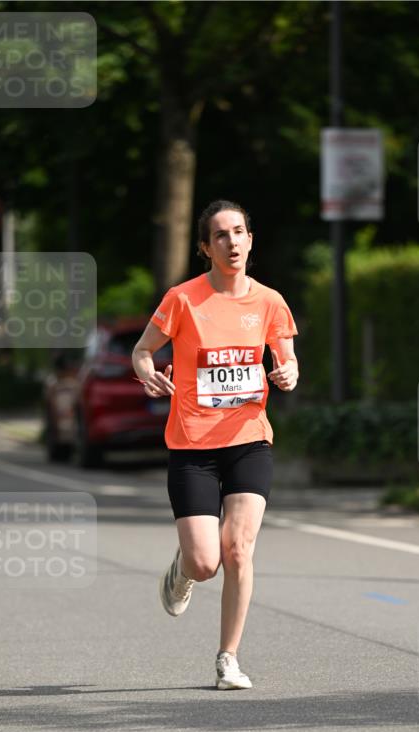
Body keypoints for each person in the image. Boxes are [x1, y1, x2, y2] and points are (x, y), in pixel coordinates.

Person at [132, 199, 298, 690]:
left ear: (250, 240)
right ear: (205, 247)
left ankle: (229, 658)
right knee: (207, 562)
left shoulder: (269, 301)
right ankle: (182, 570)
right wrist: (149, 377)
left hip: (249, 440)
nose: (232, 242)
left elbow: (287, 359)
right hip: (192, 446)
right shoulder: (183, 299)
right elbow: (143, 352)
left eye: (239, 232)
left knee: (239, 550)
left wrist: (288, 372)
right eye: (220, 235)